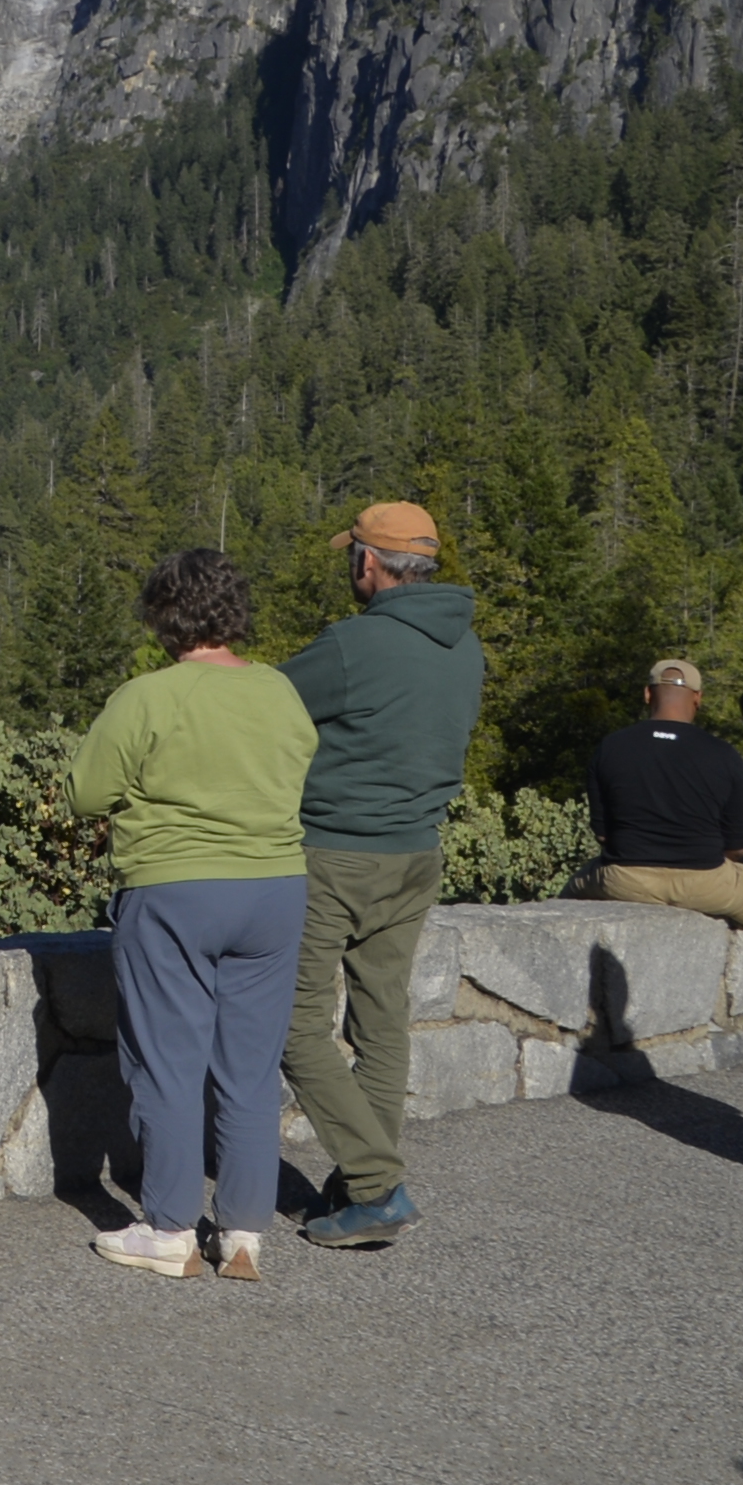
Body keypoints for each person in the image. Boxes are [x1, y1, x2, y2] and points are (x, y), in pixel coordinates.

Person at [67, 549, 316, 1283]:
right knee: (250, 1067)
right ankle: (242, 1232)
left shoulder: (149, 696)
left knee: (169, 1062)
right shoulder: (280, 693)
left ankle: (170, 1227)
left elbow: (85, 793)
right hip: (274, 888)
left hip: (174, 888)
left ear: (164, 616)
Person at [277, 502, 487, 1251]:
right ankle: (358, 1183)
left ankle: (375, 1183)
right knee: (382, 1019)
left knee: (295, 1023)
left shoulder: (351, 646)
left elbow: (267, 708)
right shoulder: (467, 649)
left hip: (334, 852)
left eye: (351, 556)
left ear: (368, 562)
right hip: (416, 853)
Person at [585, 659, 743, 1067]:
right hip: (707, 880)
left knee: (574, 888)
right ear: (698, 700)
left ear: (647, 694)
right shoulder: (723, 756)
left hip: (626, 877)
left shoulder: (611, 746)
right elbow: (738, 848)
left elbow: (603, 835)